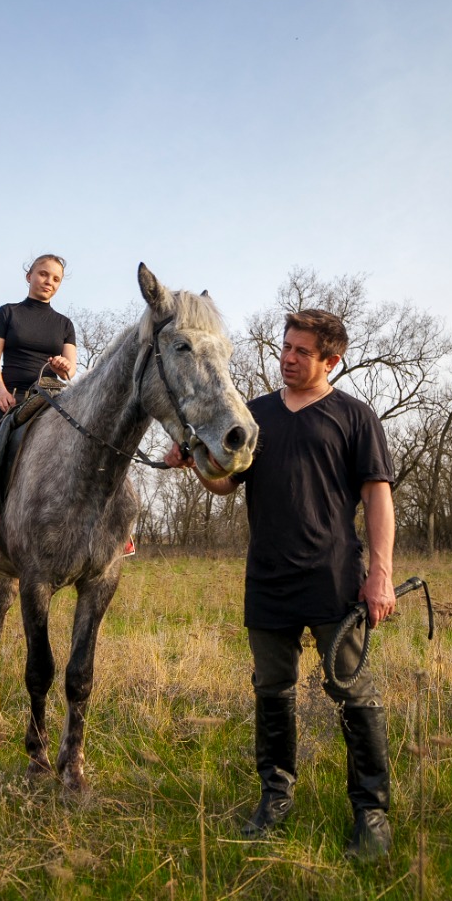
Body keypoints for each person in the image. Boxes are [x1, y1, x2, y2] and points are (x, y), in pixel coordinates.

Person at [168, 308, 398, 860]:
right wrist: (195, 463)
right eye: (285, 347)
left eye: (301, 351)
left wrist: (380, 574)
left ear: (331, 360)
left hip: (333, 578)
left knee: (350, 691)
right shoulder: (257, 414)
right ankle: (275, 798)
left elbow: (377, 497)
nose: (287, 358)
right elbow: (226, 485)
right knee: (272, 690)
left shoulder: (355, 416)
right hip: (268, 577)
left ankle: (371, 812)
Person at [0, 254, 79, 563]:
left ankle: (109, 525)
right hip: (10, 396)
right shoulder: (7, 313)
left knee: (93, 431)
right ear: (29, 276)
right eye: (43, 274)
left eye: (55, 279)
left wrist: (63, 366)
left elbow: (71, 370)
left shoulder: (64, 325)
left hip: (51, 399)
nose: (48, 281)